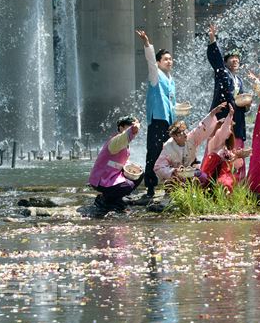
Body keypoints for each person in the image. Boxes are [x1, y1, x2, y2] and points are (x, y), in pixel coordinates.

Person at [136, 30, 176, 198]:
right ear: (159, 62)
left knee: (168, 153)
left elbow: (170, 101)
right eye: (165, 59)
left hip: (169, 121)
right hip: (158, 120)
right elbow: (150, 62)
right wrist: (147, 43)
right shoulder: (156, 75)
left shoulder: (170, 78)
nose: (169, 61)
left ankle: (169, 185)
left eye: (170, 59)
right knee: (153, 152)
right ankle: (151, 187)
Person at [207, 25, 249, 179]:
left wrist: (247, 105)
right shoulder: (222, 73)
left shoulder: (239, 80)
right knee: (220, 148)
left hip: (237, 120)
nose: (235, 60)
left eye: (237, 58)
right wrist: (213, 41)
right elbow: (215, 60)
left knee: (237, 150)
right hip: (223, 117)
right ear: (225, 62)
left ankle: (237, 183)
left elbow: (242, 102)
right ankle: (215, 180)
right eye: (232, 58)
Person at [154, 102, 228, 186]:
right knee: (172, 184)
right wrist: (172, 171)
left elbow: (201, 128)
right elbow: (158, 167)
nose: (185, 133)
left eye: (185, 130)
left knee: (204, 177)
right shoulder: (168, 147)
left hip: (191, 171)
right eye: (181, 132)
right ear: (175, 136)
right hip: (176, 176)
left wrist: (212, 113)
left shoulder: (191, 138)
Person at [88, 115, 143, 214]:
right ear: (121, 127)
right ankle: (105, 199)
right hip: (102, 178)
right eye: (129, 125)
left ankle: (114, 198)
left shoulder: (124, 142)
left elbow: (119, 161)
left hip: (111, 175)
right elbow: (124, 137)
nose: (132, 127)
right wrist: (133, 130)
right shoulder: (116, 140)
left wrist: (131, 165)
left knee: (139, 174)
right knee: (128, 185)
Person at [200, 105, 251, 193]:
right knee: (224, 183)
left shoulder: (226, 146)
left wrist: (239, 155)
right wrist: (230, 116)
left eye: (231, 128)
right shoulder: (214, 141)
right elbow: (222, 132)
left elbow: (233, 166)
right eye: (229, 128)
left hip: (222, 176)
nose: (230, 131)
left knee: (226, 182)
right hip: (211, 174)